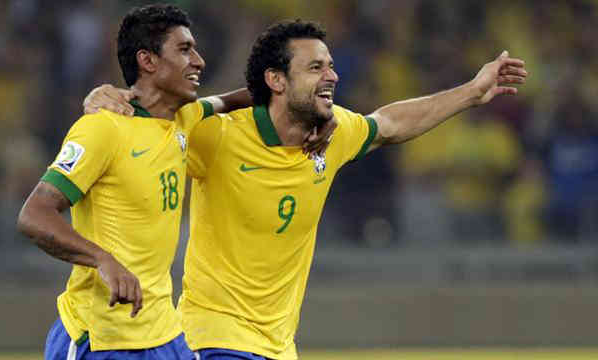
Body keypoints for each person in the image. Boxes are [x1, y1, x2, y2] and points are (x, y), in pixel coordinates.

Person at [88, 20, 527, 360]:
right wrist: (110, 100)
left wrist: (472, 91)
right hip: (214, 337)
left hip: (279, 346)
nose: (332, 75)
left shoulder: (333, 136)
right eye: (315, 67)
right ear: (276, 81)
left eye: (331, 65)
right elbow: (153, 129)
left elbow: (390, 124)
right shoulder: (216, 136)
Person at [16, 4, 263, 359]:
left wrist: (307, 102)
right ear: (148, 61)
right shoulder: (103, 127)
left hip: (164, 333)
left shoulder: (185, 117)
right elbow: (34, 214)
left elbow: (234, 99)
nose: (199, 61)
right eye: (184, 49)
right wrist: (103, 260)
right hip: (102, 339)